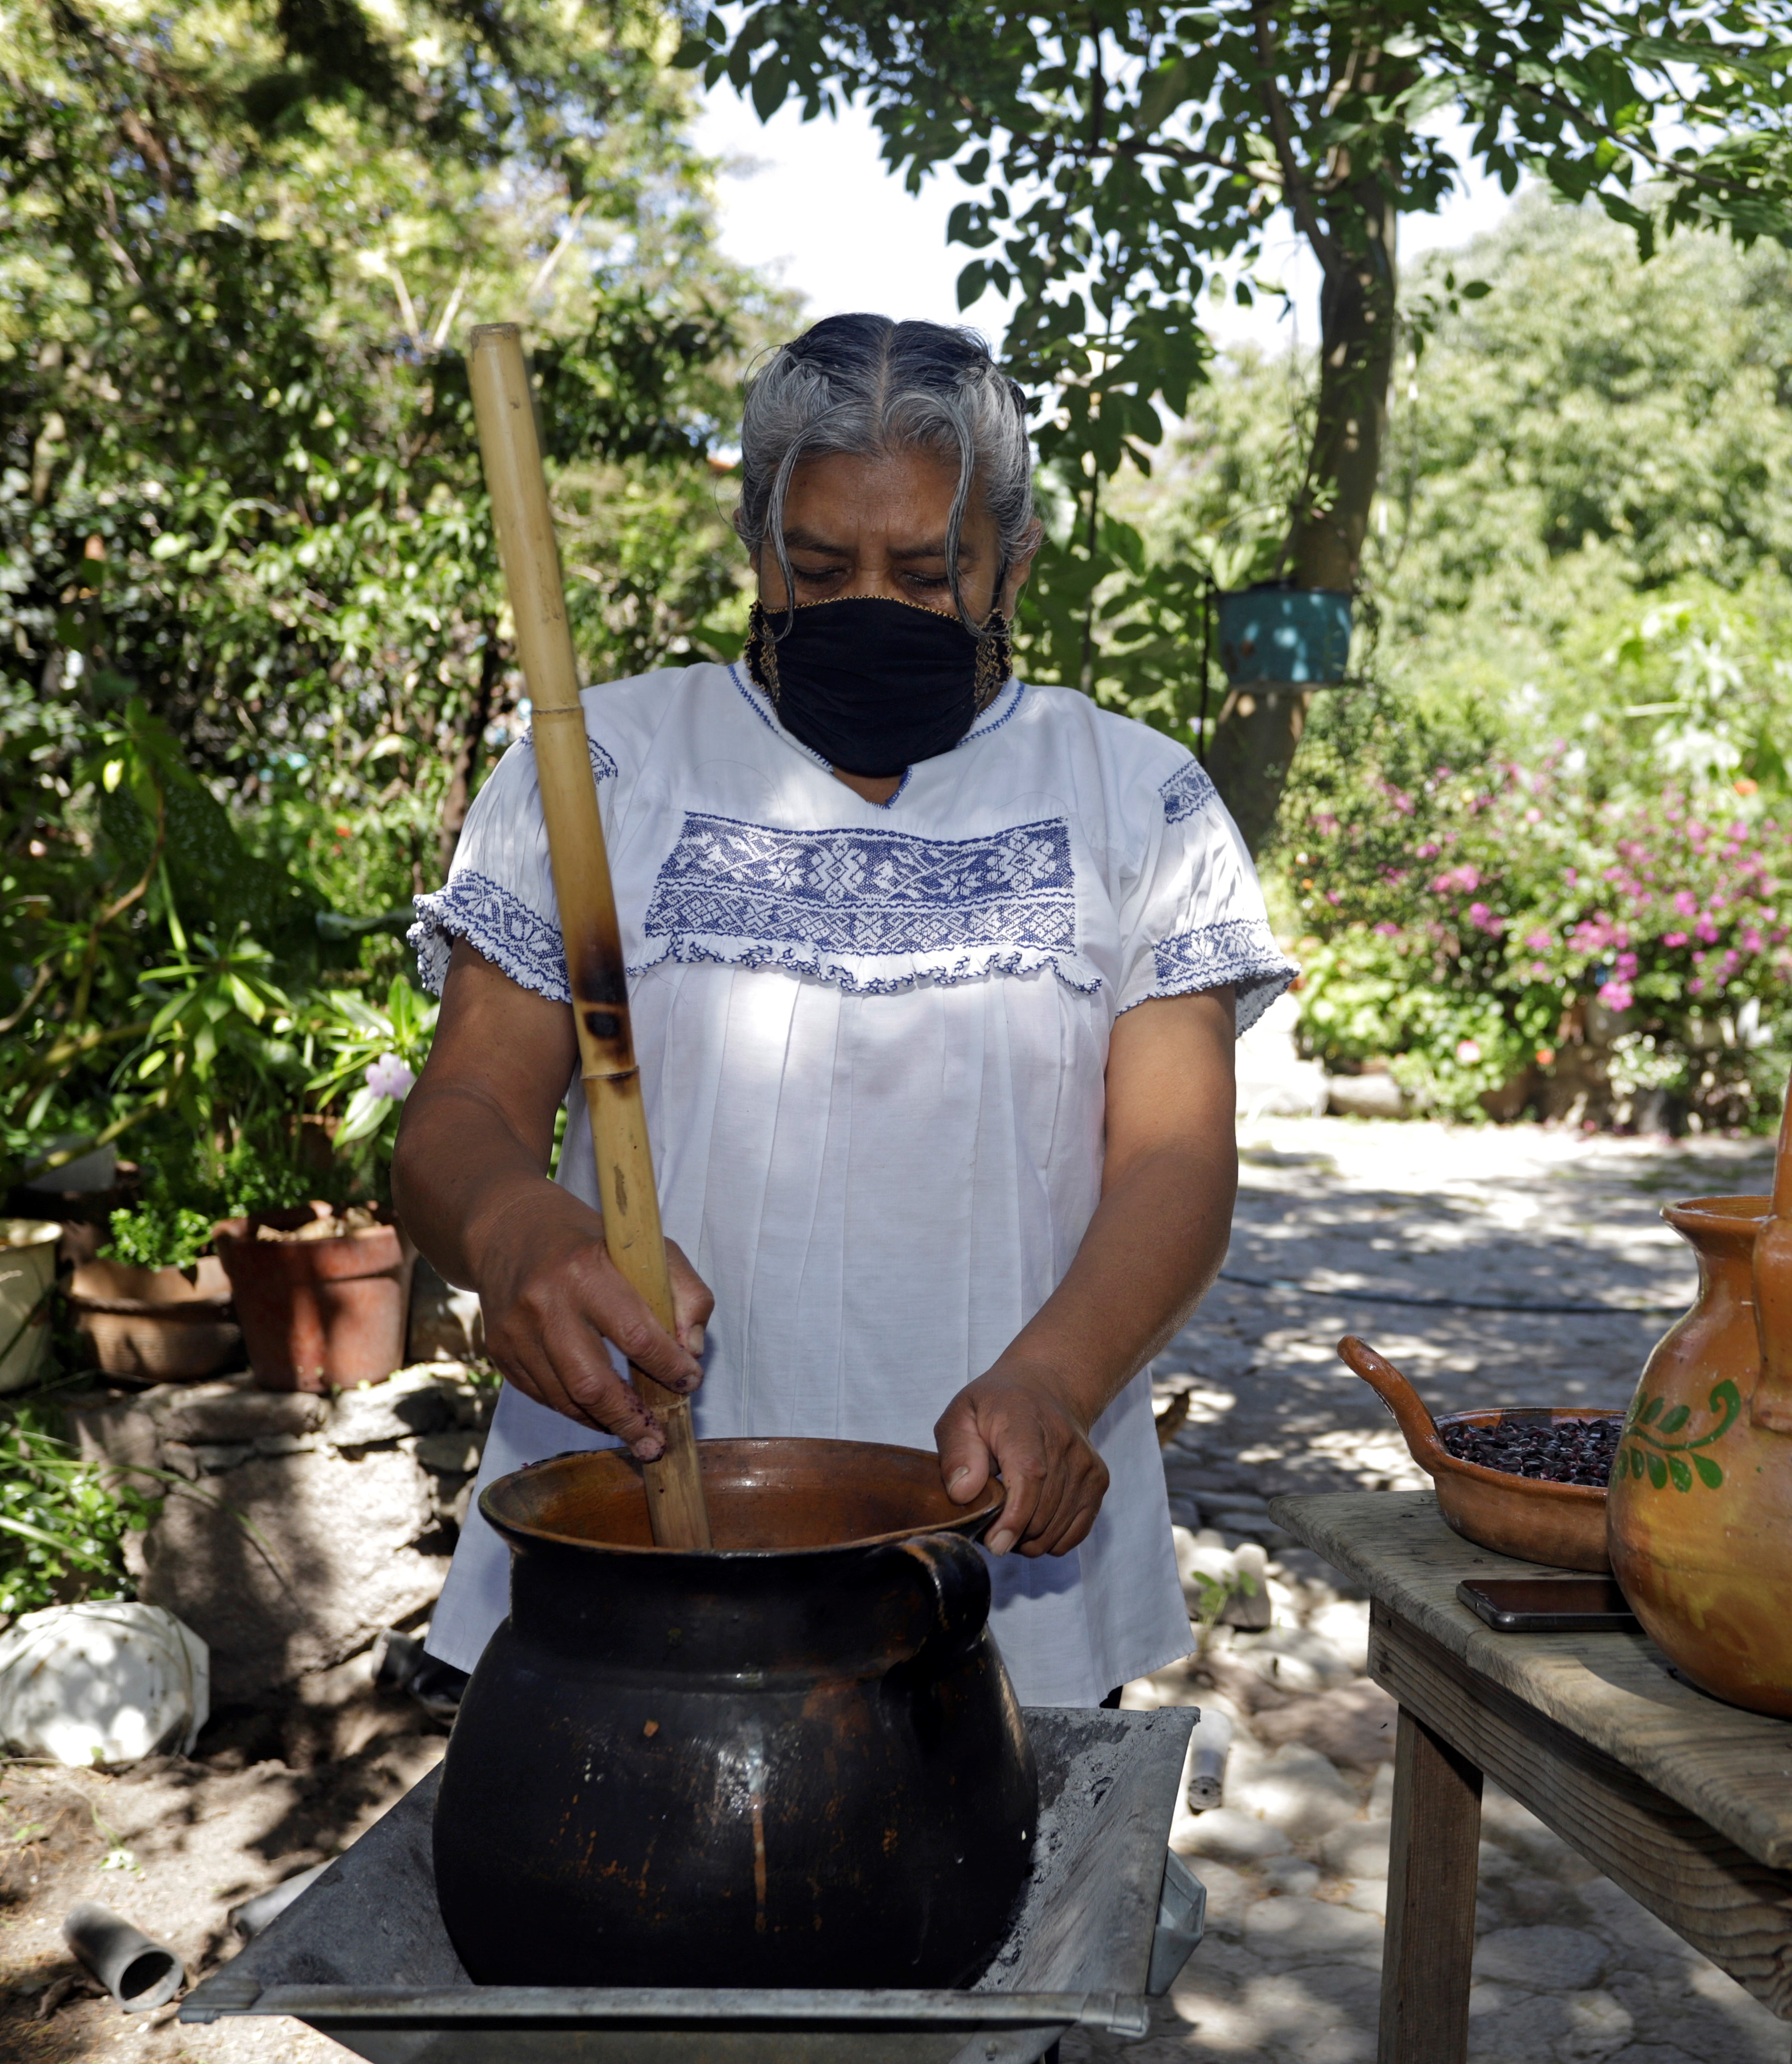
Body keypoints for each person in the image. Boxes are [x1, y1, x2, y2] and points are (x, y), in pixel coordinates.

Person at [395, 315, 1294, 1707]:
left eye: (930, 574)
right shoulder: (603, 767)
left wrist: (1060, 1379)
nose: (872, 604)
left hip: (1001, 1549)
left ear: (1015, 565)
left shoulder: (1138, 797)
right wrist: (513, 1229)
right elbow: (459, 1122)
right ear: (759, 553)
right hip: (636, 1529)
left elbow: (1176, 1166)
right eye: (819, 568)